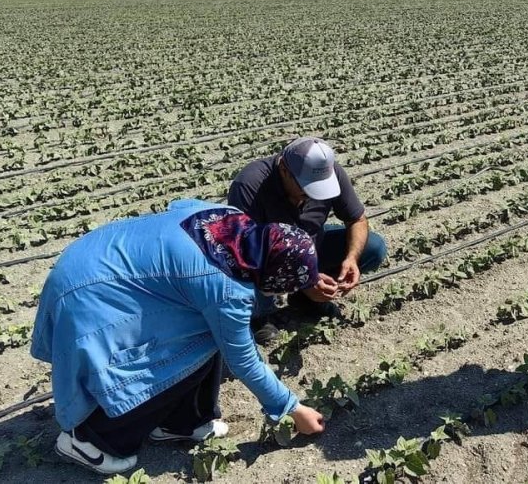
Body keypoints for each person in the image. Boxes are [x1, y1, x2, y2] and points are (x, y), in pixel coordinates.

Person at [31, 199, 326, 475]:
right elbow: (245, 362)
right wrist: (293, 408)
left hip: (93, 254)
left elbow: (179, 205)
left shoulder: (232, 220)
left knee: (203, 334)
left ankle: (182, 423)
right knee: (168, 358)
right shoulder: (226, 290)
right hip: (88, 293)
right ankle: (88, 440)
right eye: (282, 287)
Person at [228, 137, 387, 337]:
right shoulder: (250, 184)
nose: (311, 194)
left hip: (310, 246)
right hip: (264, 257)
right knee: (243, 270)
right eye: (306, 186)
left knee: (374, 248)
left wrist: (351, 258)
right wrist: (303, 278)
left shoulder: (331, 173)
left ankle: (306, 299)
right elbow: (245, 251)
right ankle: (262, 313)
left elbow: (357, 220)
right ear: (284, 169)